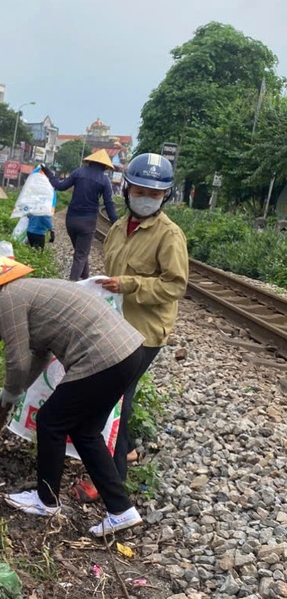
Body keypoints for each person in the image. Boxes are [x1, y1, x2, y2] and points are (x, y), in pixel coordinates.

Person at [0, 245, 146, 536]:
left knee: (51, 420)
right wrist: (16, 390)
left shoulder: (5, 298)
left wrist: (11, 391)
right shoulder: (27, 290)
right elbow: (38, 353)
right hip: (128, 353)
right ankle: (121, 510)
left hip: (101, 357)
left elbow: (18, 357)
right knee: (85, 431)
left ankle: (45, 500)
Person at [99, 152, 188, 484]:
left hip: (145, 332)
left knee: (118, 397)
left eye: (154, 193)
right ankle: (115, 457)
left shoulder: (169, 235)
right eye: (140, 191)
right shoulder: (120, 227)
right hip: (118, 324)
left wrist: (129, 284)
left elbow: (175, 286)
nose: (146, 198)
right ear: (127, 189)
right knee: (116, 395)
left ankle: (113, 477)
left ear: (165, 196)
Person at [42, 150, 118, 280]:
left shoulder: (79, 172)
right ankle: (72, 285)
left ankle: (85, 278)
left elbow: (60, 186)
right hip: (87, 222)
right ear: (105, 166)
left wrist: (48, 173)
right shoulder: (104, 180)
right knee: (81, 255)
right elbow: (109, 204)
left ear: (90, 161)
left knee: (81, 252)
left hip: (71, 220)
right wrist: (116, 223)